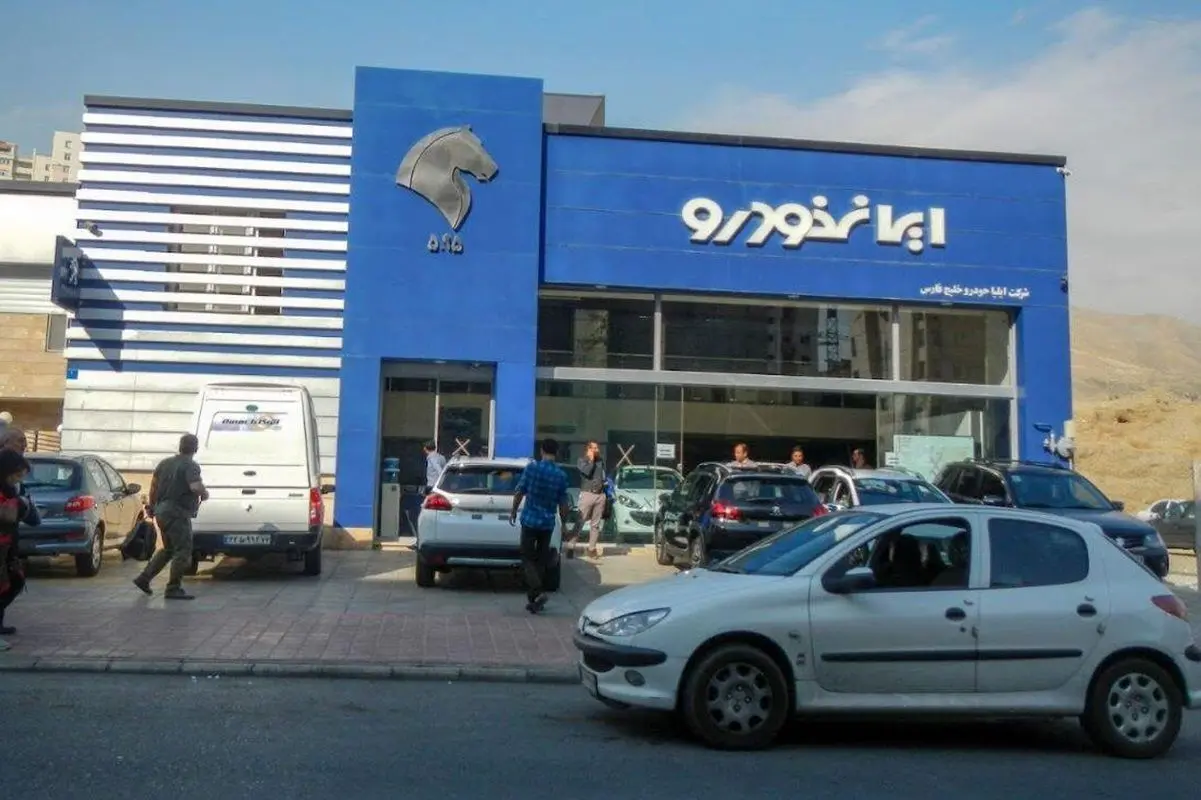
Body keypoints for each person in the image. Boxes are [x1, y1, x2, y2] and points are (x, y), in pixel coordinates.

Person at [133, 434, 208, 600]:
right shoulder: (191, 465)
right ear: (195, 448)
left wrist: (152, 507)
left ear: (180, 447)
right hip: (178, 514)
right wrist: (205, 493)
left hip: (162, 512)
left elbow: (153, 486)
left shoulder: (165, 463)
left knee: (168, 549)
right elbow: (195, 486)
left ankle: (144, 579)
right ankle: (173, 588)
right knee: (183, 550)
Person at [509, 438, 570, 614]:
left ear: (541, 450)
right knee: (541, 560)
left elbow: (520, 491)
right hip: (547, 523)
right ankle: (534, 600)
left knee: (527, 558)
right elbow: (563, 503)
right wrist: (564, 523)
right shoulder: (561, 475)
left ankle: (537, 591)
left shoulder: (532, 468)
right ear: (556, 452)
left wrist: (514, 511)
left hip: (530, 520)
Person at [0, 428, 38, 643]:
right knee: (7, 582)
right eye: (19, 441)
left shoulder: (12, 483)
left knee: (13, 581)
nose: (24, 444)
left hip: (9, 541)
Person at [572, 441, 607, 560]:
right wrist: (591, 460)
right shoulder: (582, 460)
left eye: (597, 448)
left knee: (595, 524)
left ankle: (592, 549)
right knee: (580, 521)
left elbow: (602, 475)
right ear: (589, 449)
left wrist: (604, 483)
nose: (597, 450)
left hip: (600, 495)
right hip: (587, 493)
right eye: (595, 448)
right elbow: (586, 472)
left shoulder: (600, 461)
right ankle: (571, 545)